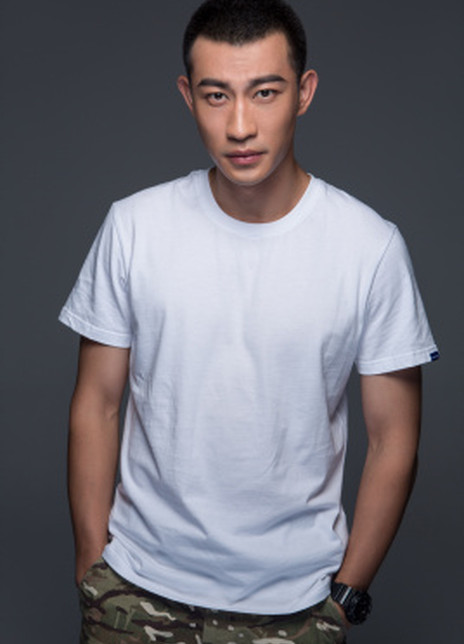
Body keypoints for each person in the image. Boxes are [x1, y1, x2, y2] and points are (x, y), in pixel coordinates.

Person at [59, 1, 439, 642]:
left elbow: (394, 439)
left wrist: (345, 596)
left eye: (265, 92)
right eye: (217, 95)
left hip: (297, 605)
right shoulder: (134, 227)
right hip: (134, 590)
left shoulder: (369, 247)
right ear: (188, 97)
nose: (240, 125)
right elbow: (96, 404)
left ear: (304, 93)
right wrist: (92, 570)